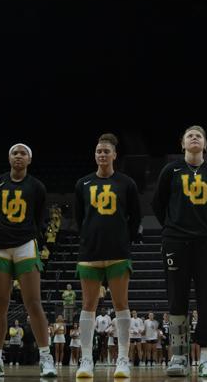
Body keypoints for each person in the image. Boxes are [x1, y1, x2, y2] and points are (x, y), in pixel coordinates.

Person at [152, 125, 207, 377]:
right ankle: (178, 356)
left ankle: (206, 358)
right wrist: (174, 228)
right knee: (177, 299)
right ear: (182, 144)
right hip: (175, 242)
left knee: (206, 299)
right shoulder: (170, 170)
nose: (194, 138)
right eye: (189, 135)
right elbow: (158, 204)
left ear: (205, 144)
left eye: (199, 135)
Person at [0, 143, 56, 378]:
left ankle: (46, 358)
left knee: (33, 302)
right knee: (0, 304)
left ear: (29, 160)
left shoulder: (37, 186)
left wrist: (32, 234)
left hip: (25, 246)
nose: (18, 156)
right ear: (9, 158)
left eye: (23, 153)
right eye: (15, 153)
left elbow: (41, 216)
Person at [73, 133, 142, 380]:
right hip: (90, 252)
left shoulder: (126, 184)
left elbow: (136, 216)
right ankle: (86, 359)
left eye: (106, 151)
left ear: (114, 155)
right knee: (88, 306)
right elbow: (79, 219)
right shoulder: (82, 183)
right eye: (98, 151)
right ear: (95, 155)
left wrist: (125, 239)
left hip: (118, 252)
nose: (102, 154)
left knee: (121, 305)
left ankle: (123, 358)